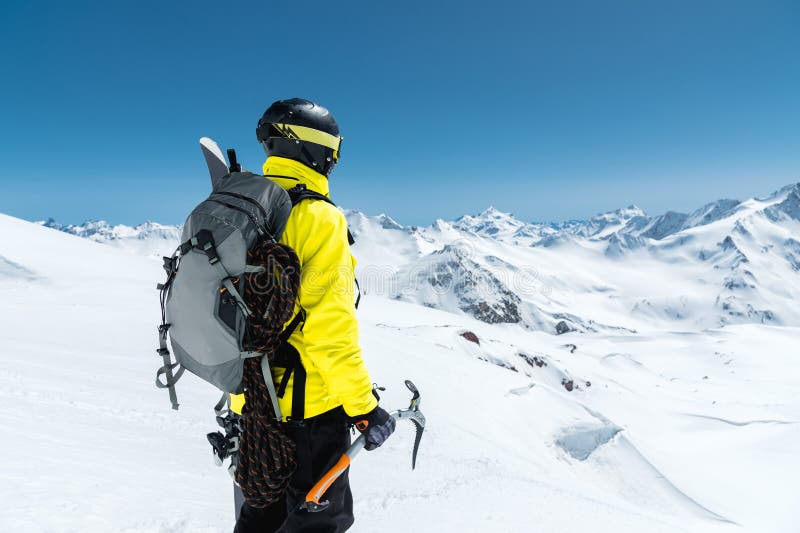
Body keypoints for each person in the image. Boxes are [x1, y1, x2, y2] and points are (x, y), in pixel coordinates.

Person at [232, 98, 396, 533]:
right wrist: (364, 408)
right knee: (319, 522)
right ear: (318, 152)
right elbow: (329, 331)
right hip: (308, 416)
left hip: (252, 406)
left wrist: (239, 401)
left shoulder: (243, 210)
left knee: (260, 515)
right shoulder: (317, 218)